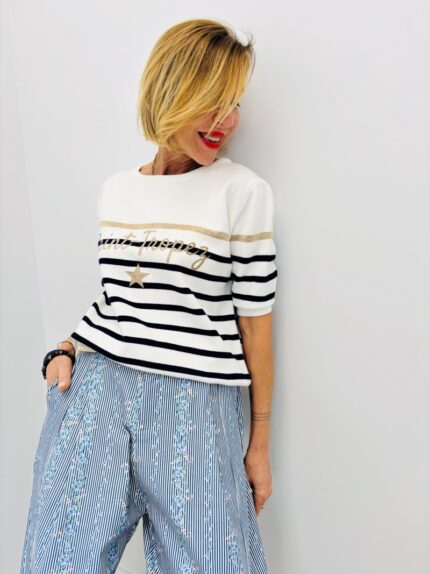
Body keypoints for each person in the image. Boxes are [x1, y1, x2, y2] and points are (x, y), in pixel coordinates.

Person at [20, 17, 278, 574]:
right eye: (212, 102)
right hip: (97, 391)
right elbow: (122, 300)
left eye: (234, 105)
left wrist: (258, 442)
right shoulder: (116, 190)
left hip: (196, 405)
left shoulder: (242, 191)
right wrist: (67, 347)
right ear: (174, 91)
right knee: (55, 562)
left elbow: (255, 322)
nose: (226, 122)